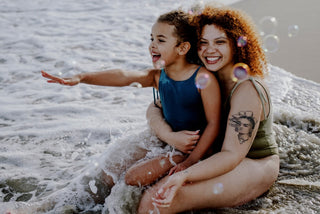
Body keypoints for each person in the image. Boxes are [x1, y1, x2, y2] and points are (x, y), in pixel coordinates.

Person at [41, 9, 221, 204]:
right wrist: (82, 78)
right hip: (168, 141)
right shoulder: (157, 76)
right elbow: (124, 75)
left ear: (183, 47)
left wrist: (190, 161)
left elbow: (214, 123)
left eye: (160, 40)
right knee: (109, 170)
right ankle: (65, 204)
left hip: (196, 149)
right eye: (151, 39)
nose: (152, 45)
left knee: (132, 177)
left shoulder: (203, 78)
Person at [138, 4, 279, 213]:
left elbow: (231, 154)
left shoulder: (247, 88)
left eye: (220, 42)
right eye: (203, 43)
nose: (209, 50)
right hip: (213, 152)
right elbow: (154, 107)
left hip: (252, 162)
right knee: (122, 176)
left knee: (154, 202)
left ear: (237, 45)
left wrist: (185, 174)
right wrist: (168, 135)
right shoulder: (201, 76)